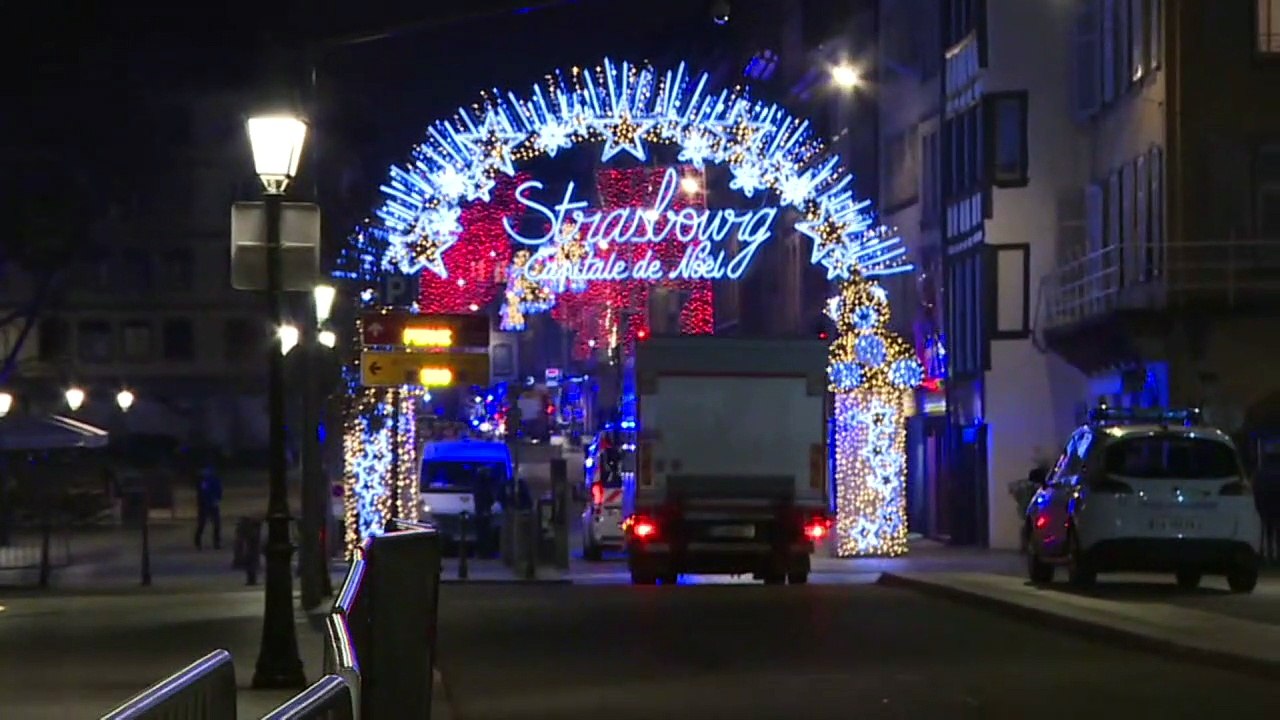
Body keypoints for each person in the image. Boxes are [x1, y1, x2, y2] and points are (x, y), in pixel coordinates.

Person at [195, 465, 223, 550]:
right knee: (203, 524)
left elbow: (219, 490)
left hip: (211, 504)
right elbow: (203, 492)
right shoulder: (205, 481)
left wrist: (217, 499)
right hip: (206, 505)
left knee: (215, 524)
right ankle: (198, 542)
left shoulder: (213, 480)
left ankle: (215, 542)